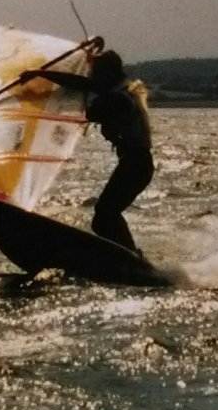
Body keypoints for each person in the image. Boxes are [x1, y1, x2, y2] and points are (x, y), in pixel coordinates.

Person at [22, 43, 154, 253]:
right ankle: (129, 254)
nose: (94, 78)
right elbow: (80, 83)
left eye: (97, 73)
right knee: (103, 218)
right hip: (135, 162)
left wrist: (92, 106)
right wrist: (40, 74)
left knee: (105, 214)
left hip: (137, 164)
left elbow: (95, 112)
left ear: (109, 73)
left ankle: (131, 257)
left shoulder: (121, 97)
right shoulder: (119, 87)